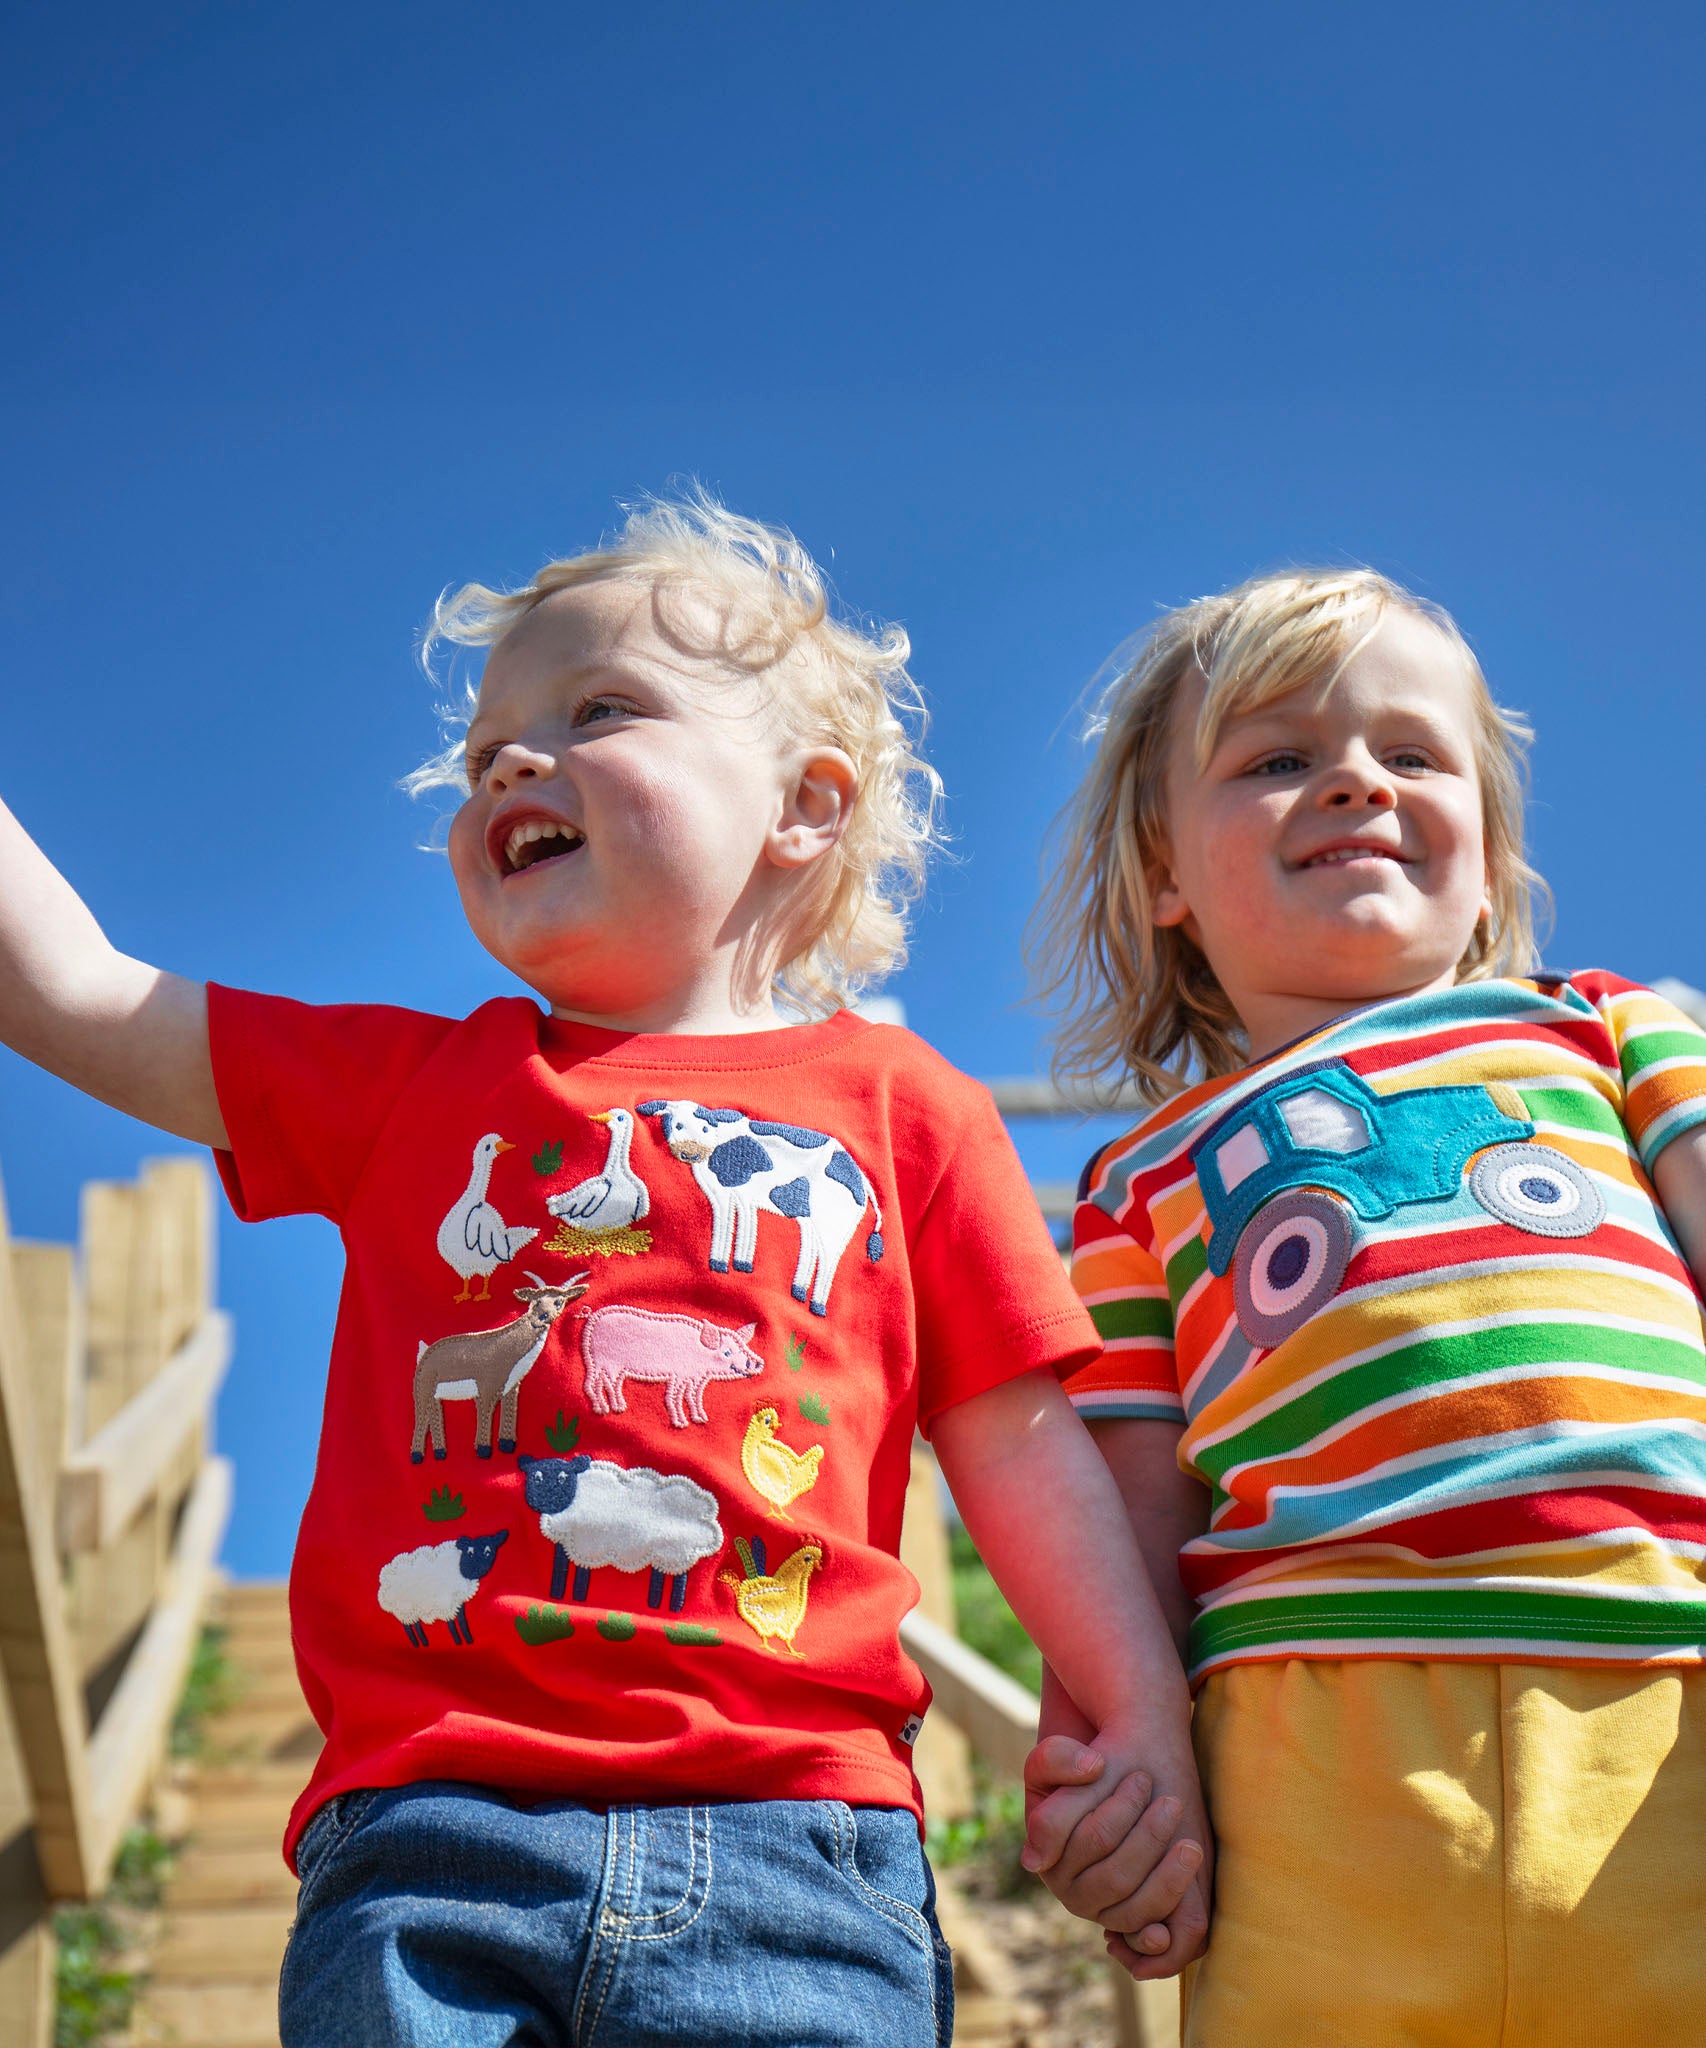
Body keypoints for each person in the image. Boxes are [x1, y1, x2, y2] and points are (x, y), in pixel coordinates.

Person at [0, 492, 1206, 2048]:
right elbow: (73, 993)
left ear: (806, 808)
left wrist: (1136, 1712)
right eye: (482, 747)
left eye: (598, 712)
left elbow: (1018, 1441)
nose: (509, 760)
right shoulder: (410, 1092)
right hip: (429, 1838)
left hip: (798, 1841)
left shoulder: (909, 1111)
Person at [1020, 569, 1706, 2045]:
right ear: (1163, 877)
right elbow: (1132, 1499)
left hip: (1664, 1683)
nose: (1349, 779)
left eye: (1409, 754)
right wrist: (1118, 1737)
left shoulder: (1605, 1031)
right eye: (1275, 760)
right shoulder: (1142, 1182)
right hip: (1304, 1757)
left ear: (1487, 847)